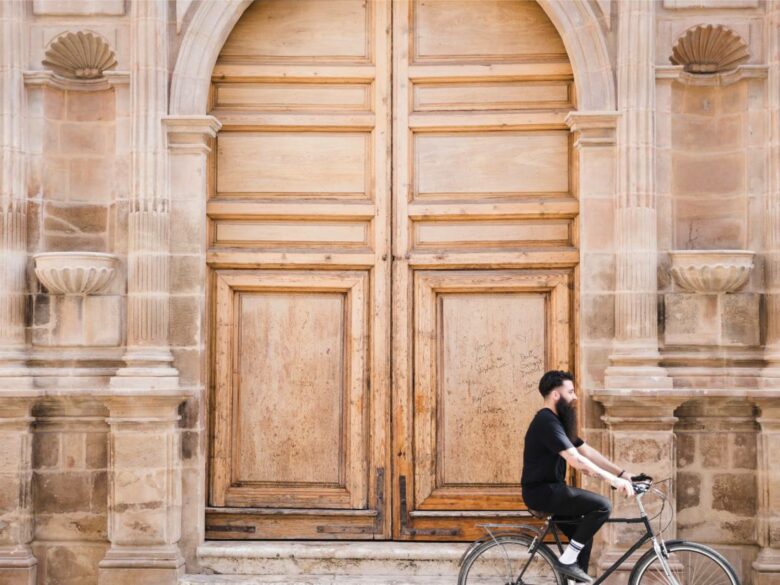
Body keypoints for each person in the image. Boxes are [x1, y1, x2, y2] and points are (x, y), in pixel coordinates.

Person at [521, 370, 636, 584]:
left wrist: (622, 473)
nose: (575, 397)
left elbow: (586, 451)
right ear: (556, 395)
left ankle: (573, 578)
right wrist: (613, 481)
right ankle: (566, 562)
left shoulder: (557, 422)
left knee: (582, 537)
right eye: (571, 391)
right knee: (603, 506)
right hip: (542, 492)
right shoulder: (546, 422)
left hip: (551, 490)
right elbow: (575, 459)